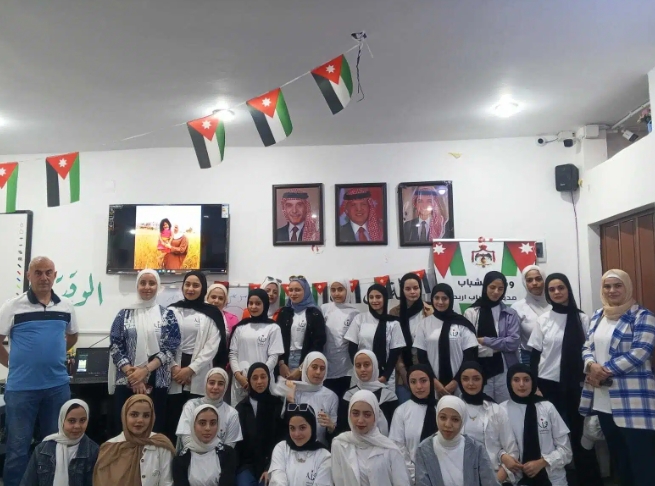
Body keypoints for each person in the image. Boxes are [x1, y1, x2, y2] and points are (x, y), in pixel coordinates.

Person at [0, 256, 79, 486]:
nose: (43, 277)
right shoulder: (12, 306)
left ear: (55, 275)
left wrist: (53, 355)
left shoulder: (66, 306)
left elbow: (73, 335)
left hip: (57, 388)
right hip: (21, 389)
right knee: (17, 448)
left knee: (54, 445)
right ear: (28, 276)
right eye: (38, 272)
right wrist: (13, 364)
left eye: (48, 272)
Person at [580, 269, 655, 486]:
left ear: (627, 287)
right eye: (607, 286)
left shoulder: (642, 316)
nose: (612, 290)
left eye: (617, 285)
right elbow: (587, 347)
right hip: (603, 401)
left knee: (643, 464)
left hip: (634, 402)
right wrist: (590, 365)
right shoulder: (598, 316)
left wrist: (602, 371)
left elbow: (640, 352)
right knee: (620, 462)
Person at [528, 273, 602, 486]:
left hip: (576, 385)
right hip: (547, 385)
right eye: (552, 289)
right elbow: (535, 356)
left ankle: (588, 480)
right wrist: (534, 386)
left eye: (561, 287)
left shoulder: (582, 319)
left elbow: (590, 351)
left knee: (581, 435)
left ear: (568, 289)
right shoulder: (543, 320)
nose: (557, 292)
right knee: (550, 434)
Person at [109, 269, 181, 434]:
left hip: (158, 382)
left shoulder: (167, 315)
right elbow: (115, 345)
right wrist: (133, 375)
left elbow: (171, 346)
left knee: (154, 430)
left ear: (158, 286)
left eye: (152, 283)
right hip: (127, 381)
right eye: (143, 283)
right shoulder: (124, 314)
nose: (147, 287)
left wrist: (144, 371)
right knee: (125, 430)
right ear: (137, 286)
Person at [167, 271, 228, 442]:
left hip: (199, 371)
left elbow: (212, 345)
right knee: (172, 419)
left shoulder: (212, 313)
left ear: (203, 289)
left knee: (197, 419)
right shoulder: (171, 310)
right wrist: (174, 367)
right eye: (187, 284)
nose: (190, 289)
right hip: (173, 372)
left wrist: (190, 370)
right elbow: (164, 340)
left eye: (195, 285)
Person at [501, 364, 572, 486]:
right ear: (509, 383)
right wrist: (503, 456)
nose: (521, 384)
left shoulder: (547, 407)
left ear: (533, 382)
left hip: (552, 479)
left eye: (526, 380)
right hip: (517, 479)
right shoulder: (501, 410)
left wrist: (543, 462)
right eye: (516, 380)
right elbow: (493, 447)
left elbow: (566, 451)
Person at [456, 361, 519, 485]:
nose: (471, 383)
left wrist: (494, 481)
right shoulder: (452, 409)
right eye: (465, 379)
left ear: (483, 380)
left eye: (476, 379)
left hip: (493, 476)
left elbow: (512, 451)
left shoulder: (496, 410)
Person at [414, 395, 500, 486]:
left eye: (455, 419)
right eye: (443, 418)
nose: (448, 425)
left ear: (462, 421)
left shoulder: (476, 450)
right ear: (436, 417)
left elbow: (490, 483)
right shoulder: (424, 450)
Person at [93, 394, 176, 486]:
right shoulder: (110, 448)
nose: (140, 420)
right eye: (134, 415)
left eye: (146, 415)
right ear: (124, 415)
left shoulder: (161, 445)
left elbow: (166, 483)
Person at [331, 390, 410, 486]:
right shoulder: (339, 443)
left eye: (367, 415)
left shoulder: (390, 449)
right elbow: (338, 480)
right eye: (355, 414)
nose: (360, 420)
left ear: (375, 416)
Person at [464, 271, 520, 403]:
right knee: (484, 406)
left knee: (505, 406)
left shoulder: (510, 313)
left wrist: (485, 340)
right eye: (492, 287)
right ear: (485, 287)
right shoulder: (471, 313)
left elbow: (513, 342)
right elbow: (470, 347)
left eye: (501, 288)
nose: (496, 292)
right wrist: (498, 348)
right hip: (479, 370)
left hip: (505, 368)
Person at [414, 283, 478, 397]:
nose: (440, 302)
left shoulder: (462, 324)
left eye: (444, 298)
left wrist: (456, 381)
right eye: (436, 298)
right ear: (432, 299)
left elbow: (469, 356)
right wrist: (435, 382)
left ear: (451, 299)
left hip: (460, 384)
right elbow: (422, 357)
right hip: (432, 384)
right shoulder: (424, 324)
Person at [20, 399, 98, 486]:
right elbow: (28, 482)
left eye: (82, 420)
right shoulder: (42, 449)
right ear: (62, 420)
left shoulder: (94, 451)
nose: (77, 426)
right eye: (71, 421)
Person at [345, 284, 406, 390]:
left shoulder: (393, 323)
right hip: (361, 375)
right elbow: (352, 348)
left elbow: (394, 353)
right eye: (371, 297)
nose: (374, 300)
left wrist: (385, 376)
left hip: (384, 377)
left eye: (378, 297)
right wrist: (360, 368)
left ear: (385, 298)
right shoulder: (359, 319)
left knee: (384, 400)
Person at [229, 289, 284, 405]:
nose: (253, 307)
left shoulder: (273, 327)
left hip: (262, 381)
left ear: (265, 304)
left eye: (258, 303)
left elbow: (274, 357)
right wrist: (238, 376)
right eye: (251, 303)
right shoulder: (240, 327)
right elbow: (233, 354)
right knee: (240, 413)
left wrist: (259, 377)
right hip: (241, 382)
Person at [235, 363, 284, 486]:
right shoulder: (241, 407)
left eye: (263, 377)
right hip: (247, 464)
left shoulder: (277, 405)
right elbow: (239, 444)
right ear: (249, 380)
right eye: (255, 378)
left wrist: (269, 467)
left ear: (269, 378)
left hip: (272, 463)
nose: (259, 382)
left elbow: (280, 439)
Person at [388, 365, 438, 483]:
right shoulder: (401, 411)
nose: (419, 386)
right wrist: (415, 475)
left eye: (423, 381)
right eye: (413, 382)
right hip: (412, 478)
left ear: (431, 382)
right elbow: (398, 447)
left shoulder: (441, 409)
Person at [389, 273, 432, 403]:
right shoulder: (394, 313)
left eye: (416, 288)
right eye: (408, 289)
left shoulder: (430, 311)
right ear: (402, 291)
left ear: (420, 289)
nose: (412, 292)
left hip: (427, 368)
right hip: (402, 369)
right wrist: (403, 371)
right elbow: (394, 345)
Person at [177, 368, 242, 450]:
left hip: (219, 457)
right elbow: (186, 438)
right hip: (191, 455)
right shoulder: (191, 406)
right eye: (211, 383)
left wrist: (211, 456)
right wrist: (202, 455)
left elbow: (229, 447)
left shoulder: (232, 413)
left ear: (225, 387)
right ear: (205, 384)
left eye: (220, 384)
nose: (215, 387)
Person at [282, 352, 338, 446]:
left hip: (320, 447)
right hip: (294, 446)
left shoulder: (331, 396)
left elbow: (333, 434)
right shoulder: (293, 389)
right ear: (306, 368)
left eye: (322, 368)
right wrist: (290, 399)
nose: (318, 372)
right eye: (314, 367)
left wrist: (331, 427)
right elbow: (285, 425)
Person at [172, 404, 237, 486]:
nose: (207, 428)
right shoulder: (181, 457)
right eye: (202, 423)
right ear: (193, 425)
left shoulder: (227, 453)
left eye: (213, 423)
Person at [268, 404, 332, 486]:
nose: (297, 434)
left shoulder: (324, 456)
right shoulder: (282, 448)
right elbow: (277, 481)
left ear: (312, 427)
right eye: (292, 428)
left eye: (302, 428)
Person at [277, 277, 326, 380]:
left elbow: (319, 343)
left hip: (307, 360)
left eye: (298, 290)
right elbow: (277, 340)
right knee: (286, 389)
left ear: (306, 291)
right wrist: (281, 364)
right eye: (291, 290)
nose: (293, 293)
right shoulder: (284, 312)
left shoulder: (315, 313)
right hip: (285, 361)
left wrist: (302, 368)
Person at [340, 350, 398, 435]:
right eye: (358, 366)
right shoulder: (349, 395)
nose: (362, 369)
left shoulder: (389, 396)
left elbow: (395, 430)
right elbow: (343, 428)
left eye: (366, 365)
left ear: (374, 366)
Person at [320, 279, 360, 398]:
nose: (336, 293)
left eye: (340, 289)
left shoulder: (354, 313)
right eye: (333, 290)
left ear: (347, 290)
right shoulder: (324, 309)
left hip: (346, 367)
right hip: (326, 365)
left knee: (345, 400)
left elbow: (355, 341)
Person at [513, 265, 550, 364]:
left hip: (555, 356)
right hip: (528, 358)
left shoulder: (555, 304)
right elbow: (515, 340)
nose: (534, 283)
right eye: (529, 280)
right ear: (524, 283)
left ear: (544, 280)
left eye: (538, 279)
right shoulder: (518, 308)